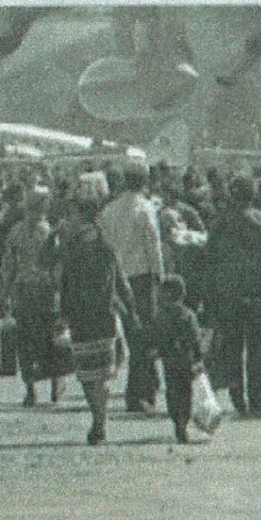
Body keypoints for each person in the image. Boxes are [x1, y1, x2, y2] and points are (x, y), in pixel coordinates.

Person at [60, 192, 138, 445]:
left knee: (87, 372)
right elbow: (120, 276)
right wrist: (129, 305)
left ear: (81, 215)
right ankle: (100, 419)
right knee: (100, 372)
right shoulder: (102, 241)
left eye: (71, 214)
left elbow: (64, 279)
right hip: (103, 313)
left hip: (83, 314)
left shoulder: (76, 244)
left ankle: (98, 418)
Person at [205, 177, 261, 416]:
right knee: (256, 348)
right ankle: (257, 399)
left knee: (232, 347)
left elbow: (209, 263)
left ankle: (237, 397)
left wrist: (209, 298)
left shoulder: (219, 224)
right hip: (257, 293)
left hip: (227, 295)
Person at [100, 163, 165, 414]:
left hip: (116, 276)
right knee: (144, 336)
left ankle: (143, 388)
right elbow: (153, 244)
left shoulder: (109, 210)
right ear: (145, 182)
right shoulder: (145, 208)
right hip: (141, 278)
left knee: (130, 333)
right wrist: (160, 275)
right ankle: (140, 394)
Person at [0, 187, 62, 407]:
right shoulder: (49, 232)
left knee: (26, 342)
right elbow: (57, 266)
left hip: (24, 291)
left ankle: (31, 389)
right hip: (43, 291)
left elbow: (8, 266)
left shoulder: (16, 231)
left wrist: (5, 293)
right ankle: (54, 384)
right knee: (49, 340)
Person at [150, 274, 204, 444]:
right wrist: (198, 357)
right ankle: (183, 421)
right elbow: (196, 338)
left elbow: (155, 337)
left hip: (169, 361)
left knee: (172, 391)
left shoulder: (160, 316)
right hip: (186, 360)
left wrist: (156, 351)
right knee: (186, 392)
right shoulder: (188, 315)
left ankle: (176, 420)